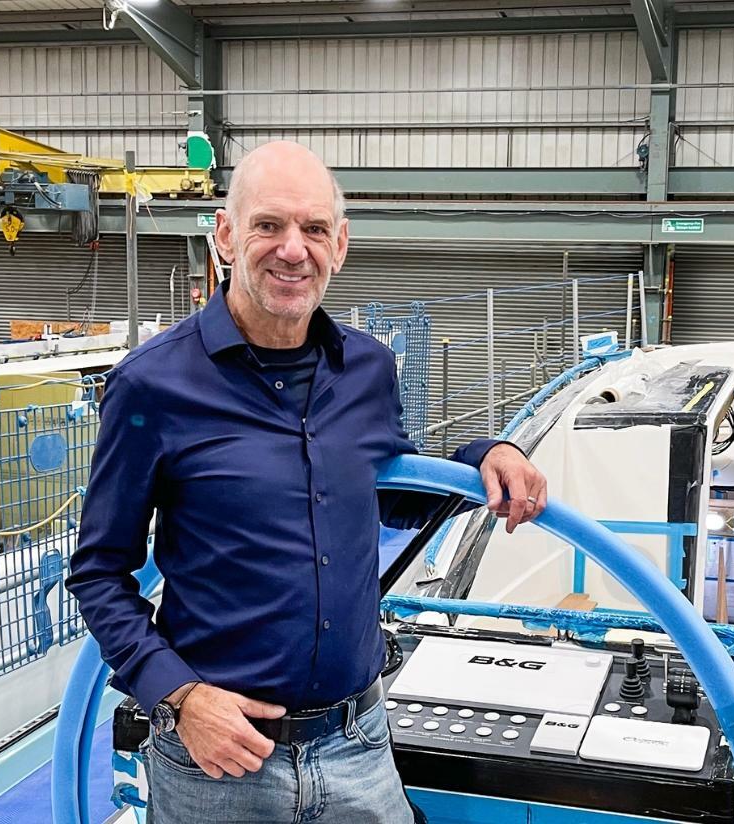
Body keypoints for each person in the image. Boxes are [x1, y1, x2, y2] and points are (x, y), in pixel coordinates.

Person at [66, 141, 548, 824]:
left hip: (358, 745)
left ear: (339, 244)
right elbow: (97, 573)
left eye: (314, 229)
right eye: (269, 225)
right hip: (219, 761)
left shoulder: (368, 370)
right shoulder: (152, 385)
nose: (293, 249)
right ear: (227, 236)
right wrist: (178, 696)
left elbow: (391, 492)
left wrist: (484, 453)